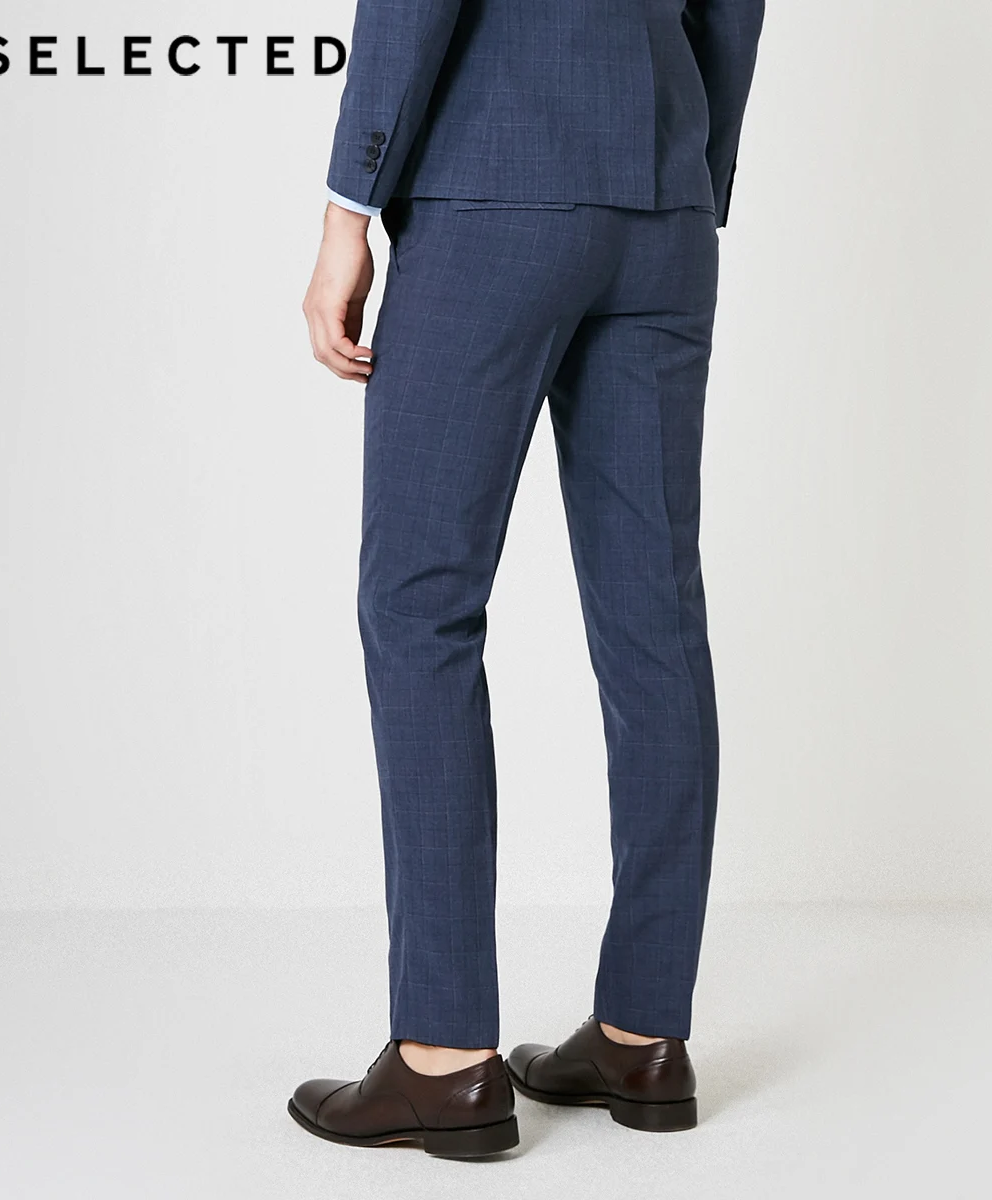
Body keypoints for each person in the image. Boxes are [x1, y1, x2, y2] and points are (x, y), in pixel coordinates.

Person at [290, 0, 766, 1159]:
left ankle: (444, 1057)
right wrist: (690, 172)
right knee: (656, 617)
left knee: (421, 605)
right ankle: (644, 1033)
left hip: (493, 188)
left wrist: (350, 205)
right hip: (662, 204)